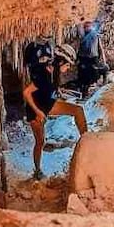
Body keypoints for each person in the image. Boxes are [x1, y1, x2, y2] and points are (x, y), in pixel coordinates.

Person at [23, 43, 87, 180]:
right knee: (40, 142)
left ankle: (87, 141)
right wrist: (38, 112)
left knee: (78, 110)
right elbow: (26, 92)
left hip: (47, 104)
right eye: (68, 65)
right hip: (36, 110)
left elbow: (49, 89)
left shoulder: (54, 73)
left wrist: (58, 92)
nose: (68, 68)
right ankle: (37, 171)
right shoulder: (44, 74)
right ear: (61, 61)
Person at [77, 21, 108, 98]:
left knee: (97, 72)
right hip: (84, 59)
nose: (86, 28)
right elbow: (80, 48)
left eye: (88, 26)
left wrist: (104, 60)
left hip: (93, 58)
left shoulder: (95, 35)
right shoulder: (83, 36)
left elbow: (100, 48)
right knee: (84, 76)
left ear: (91, 26)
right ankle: (84, 92)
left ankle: (103, 86)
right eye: (85, 27)